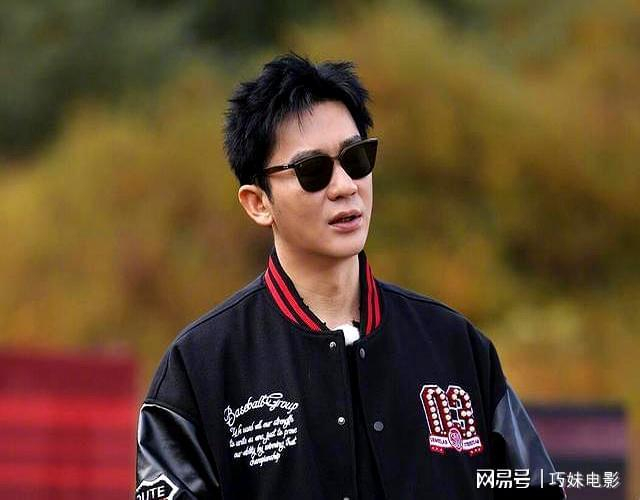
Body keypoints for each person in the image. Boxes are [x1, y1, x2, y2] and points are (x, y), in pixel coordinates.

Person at [136, 53, 565, 499]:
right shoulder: (200, 368)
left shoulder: (456, 346)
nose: (344, 186)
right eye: (312, 171)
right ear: (258, 203)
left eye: (356, 158)